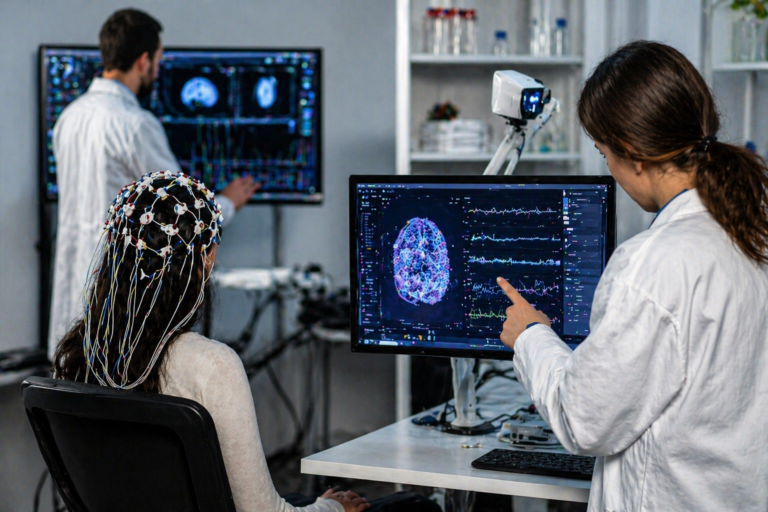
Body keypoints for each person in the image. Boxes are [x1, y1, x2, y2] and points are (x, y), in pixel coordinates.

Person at [52, 171, 437, 512]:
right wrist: (333, 507)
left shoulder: (75, 352)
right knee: (415, 506)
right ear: (207, 260)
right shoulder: (210, 365)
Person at [496, 41, 768, 511]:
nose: (610, 168)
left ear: (635, 155)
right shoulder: (752, 229)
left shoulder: (653, 265)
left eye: (604, 153)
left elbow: (583, 422)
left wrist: (531, 335)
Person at [48, 8, 259, 358]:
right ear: (144, 61)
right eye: (158, 60)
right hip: (115, 301)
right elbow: (185, 213)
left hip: (72, 303)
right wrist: (228, 201)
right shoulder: (134, 125)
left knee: (73, 385)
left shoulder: (69, 117)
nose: (157, 70)